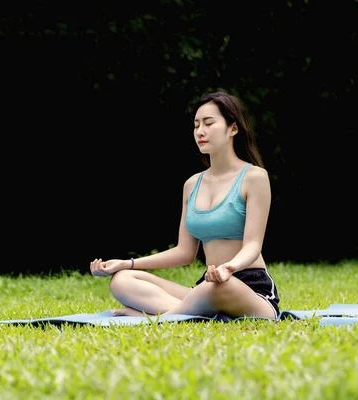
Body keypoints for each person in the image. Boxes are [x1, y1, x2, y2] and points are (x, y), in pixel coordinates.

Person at [90, 89, 280, 320]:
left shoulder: (254, 177)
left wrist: (229, 268)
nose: (200, 131)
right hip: (206, 287)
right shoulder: (192, 184)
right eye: (196, 125)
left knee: (219, 288)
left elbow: (252, 245)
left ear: (233, 128)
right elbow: (184, 252)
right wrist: (127, 263)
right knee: (122, 280)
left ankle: (156, 317)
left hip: (248, 288)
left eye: (209, 123)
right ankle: (187, 312)